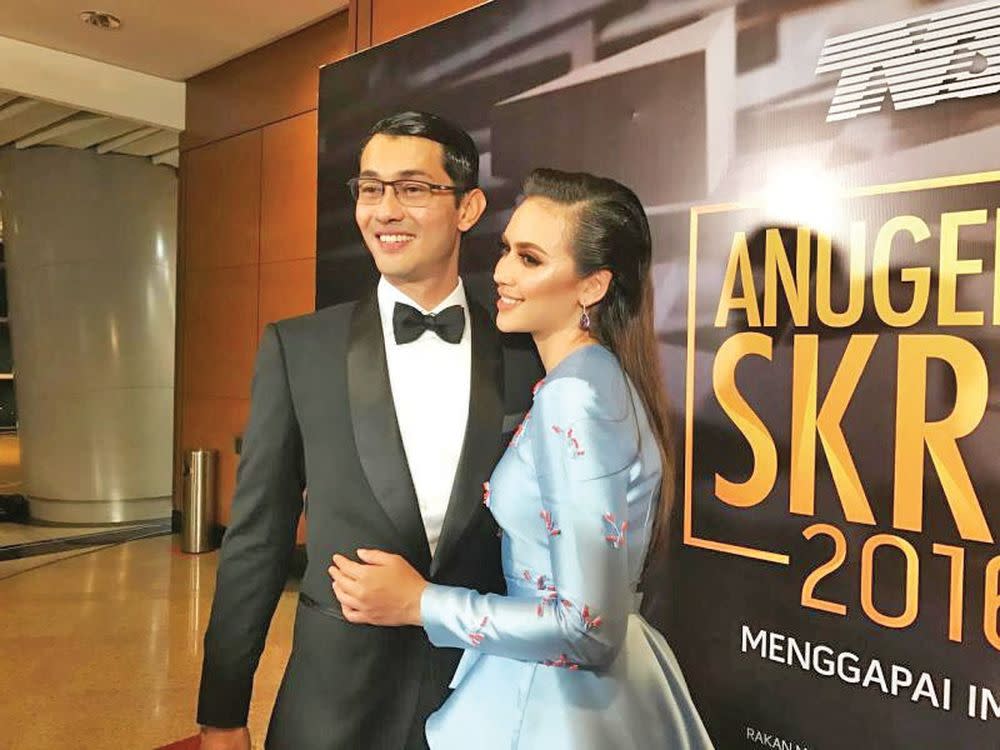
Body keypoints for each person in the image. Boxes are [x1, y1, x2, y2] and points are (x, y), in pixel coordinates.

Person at [328, 168, 715, 748]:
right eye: (507, 250)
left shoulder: (576, 396)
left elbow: (586, 630)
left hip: (554, 703)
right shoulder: (593, 378)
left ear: (592, 287)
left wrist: (420, 603)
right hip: (572, 689)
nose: (503, 273)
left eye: (531, 259)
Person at [197, 111, 542, 750]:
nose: (385, 209)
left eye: (412, 188)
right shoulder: (298, 349)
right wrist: (223, 711)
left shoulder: (530, 350)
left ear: (467, 208)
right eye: (370, 188)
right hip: (335, 702)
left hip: (488, 691)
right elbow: (258, 538)